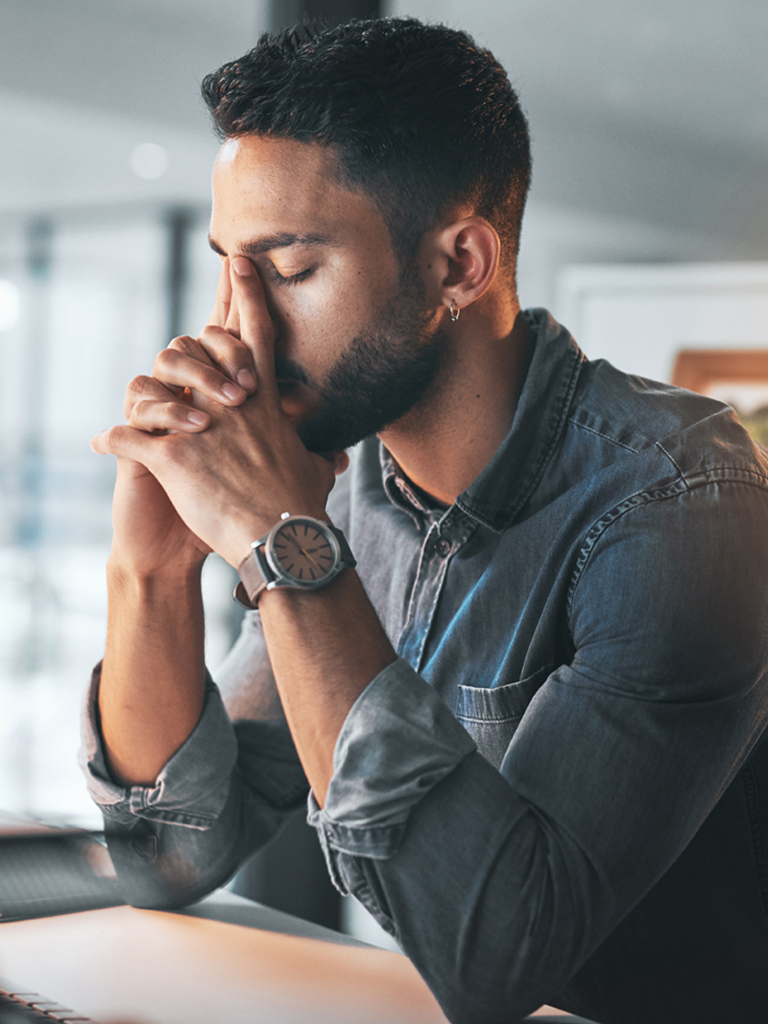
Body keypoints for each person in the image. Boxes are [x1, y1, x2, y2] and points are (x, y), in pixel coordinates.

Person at [82, 17, 768, 1024]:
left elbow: (498, 956)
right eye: (231, 264)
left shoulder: (681, 502)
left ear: (458, 265)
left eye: (290, 268)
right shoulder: (352, 494)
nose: (240, 328)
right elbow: (169, 854)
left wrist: (284, 542)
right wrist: (149, 569)